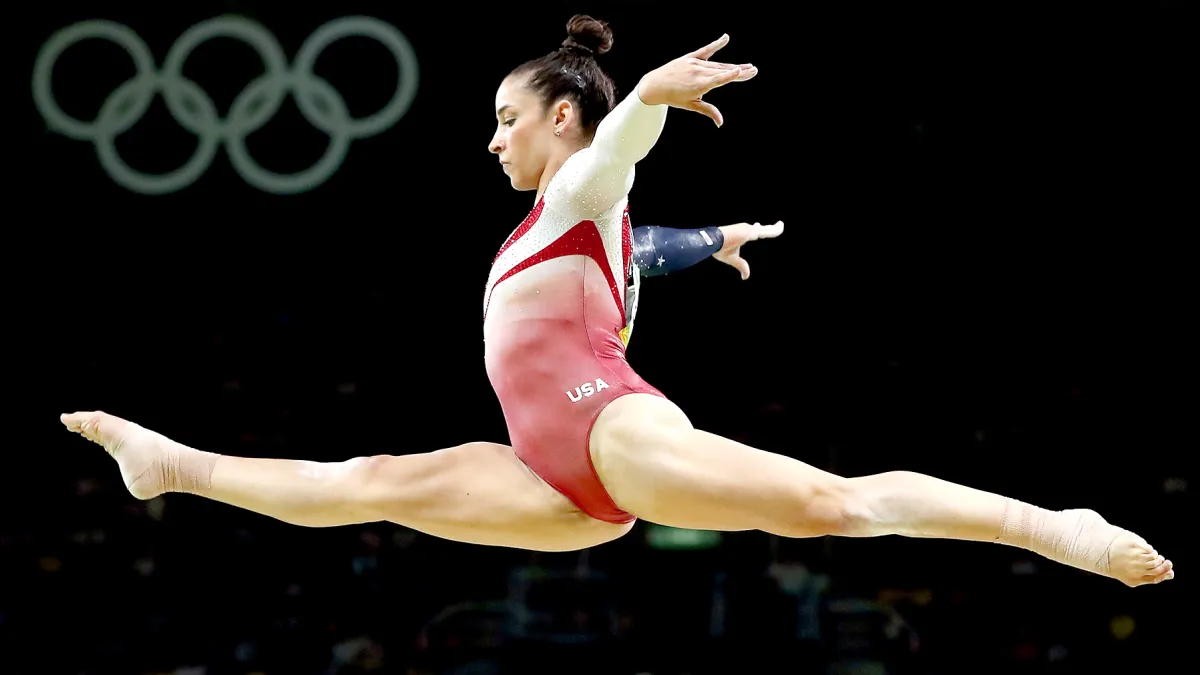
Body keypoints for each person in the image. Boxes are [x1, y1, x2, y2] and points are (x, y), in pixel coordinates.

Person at [62, 16, 1172, 586]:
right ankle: (172, 466)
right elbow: (636, 241)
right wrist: (710, 241)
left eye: (509, 116)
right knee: (377, 484)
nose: (494, 136)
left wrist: (641, 95)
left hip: (610, 427)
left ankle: (1053, 529)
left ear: (560, 119)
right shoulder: (566, 233)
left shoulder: (578, 184)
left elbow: (618, 173)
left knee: (836, 507)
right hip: (556, 487)